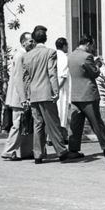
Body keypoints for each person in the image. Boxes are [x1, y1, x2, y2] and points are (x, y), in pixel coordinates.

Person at [23, 25, 70, 164]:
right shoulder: (50, 53)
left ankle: (38, 154)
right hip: (46, 93)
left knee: (38, 124)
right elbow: (52, 73)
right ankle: (61, 151)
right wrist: (55, 91)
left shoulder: (27, 55)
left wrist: (26, 95)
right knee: (53, 123)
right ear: (46, 38)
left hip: (34, 94)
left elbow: (25, 77)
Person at [67, 35, 105, 158]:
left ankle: (73, 149)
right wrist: (98, 65)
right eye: (92, 45)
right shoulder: (87, 56)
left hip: (75, 94)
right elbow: (94, 73)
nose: (92, 48)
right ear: (88, 44)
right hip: (88, 94)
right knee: (96, 123)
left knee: (76, 124)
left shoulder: (71, 55)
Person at [0, 32, 35, 161]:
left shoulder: (23, 55)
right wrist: (23, 98)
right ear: (23, 42)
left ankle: (26, 151)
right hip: (19, 97)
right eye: (30, 41)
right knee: (18, 124)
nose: (32, 43)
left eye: (33, 41)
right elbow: (19, 79)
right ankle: (9, 150)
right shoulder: (20, 56)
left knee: (25, 124)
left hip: (20, 96)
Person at [55, 37, 70, 136]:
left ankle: (51, 137)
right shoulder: (64, 57)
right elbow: (64, 76)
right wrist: (58, 89)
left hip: (53, 87)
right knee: (62, 112)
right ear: (64, 46)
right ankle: (61, 136)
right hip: (61, 88)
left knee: (55, 112)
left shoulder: (52, 55)